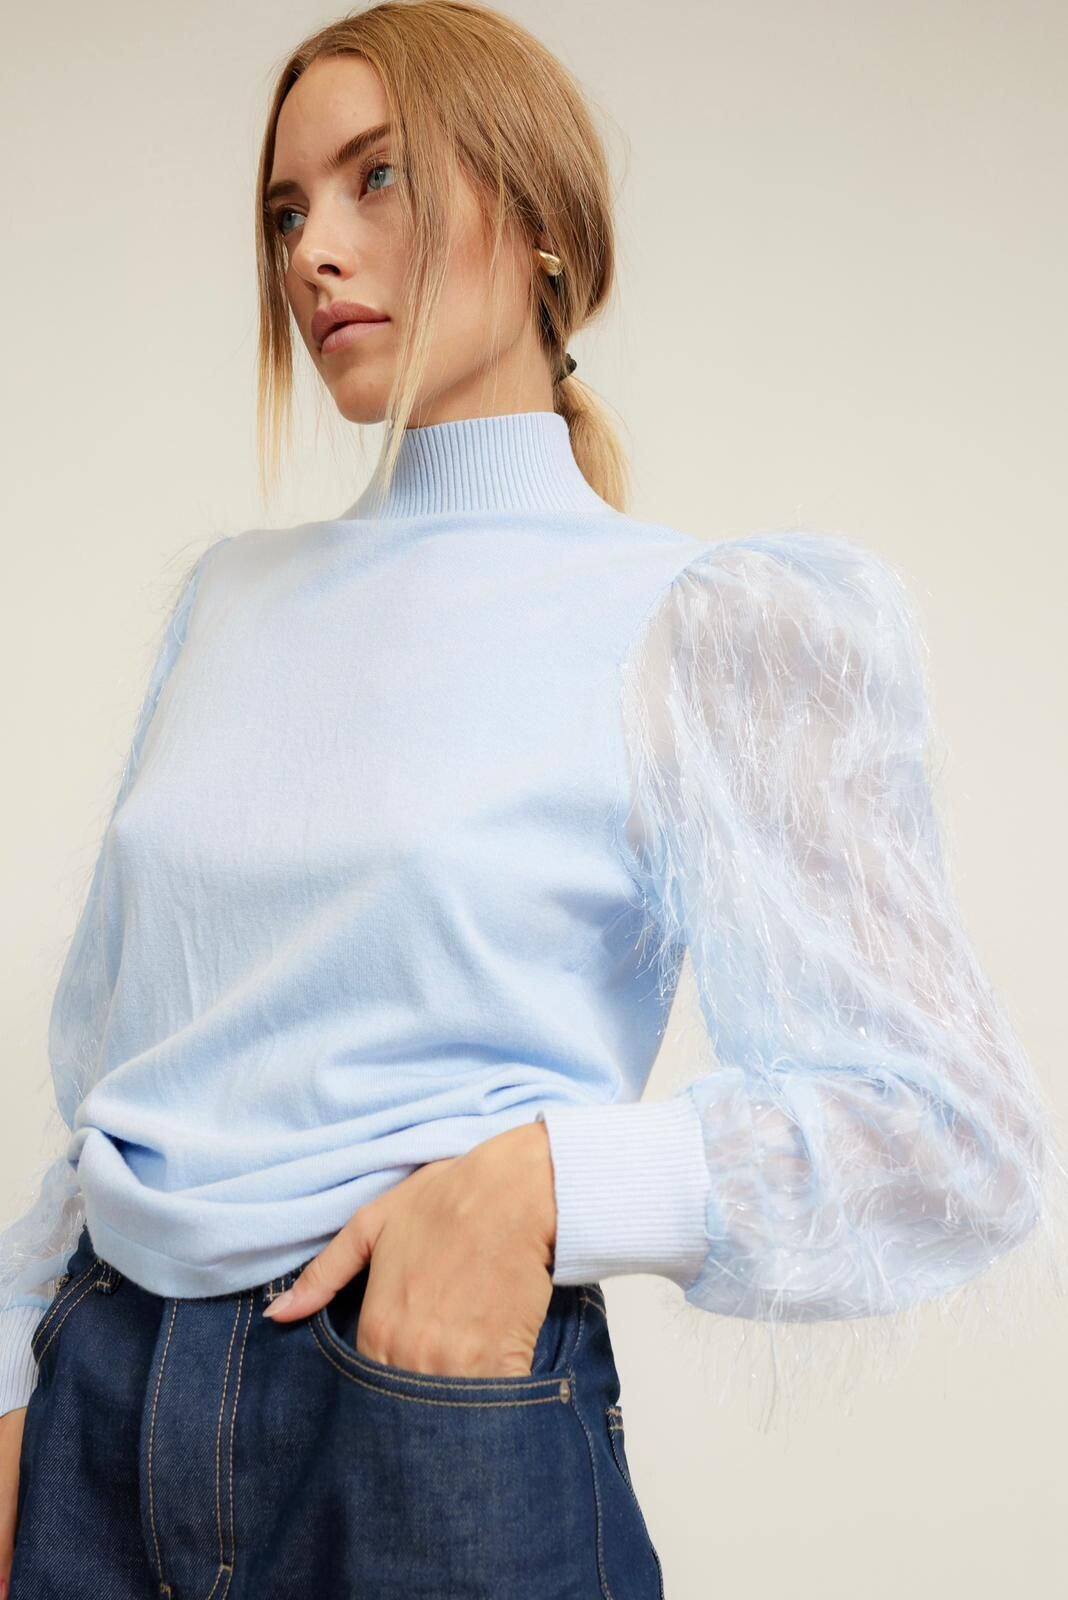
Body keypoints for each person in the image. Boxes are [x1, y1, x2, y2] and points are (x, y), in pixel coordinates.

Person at [2, 2, 1064, 1594]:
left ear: (545, 220)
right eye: (285, 211)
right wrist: (14, 1368)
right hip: (97, 1401)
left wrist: (549, 1187)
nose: (313, 253)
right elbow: (118, 1076)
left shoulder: (703, 620)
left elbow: (951, 1137)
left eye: (376, 178)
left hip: (421, 1403)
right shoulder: (227, 599)